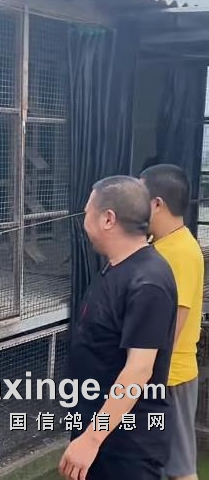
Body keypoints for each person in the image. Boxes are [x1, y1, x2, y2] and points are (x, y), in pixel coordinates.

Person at [59, 175, 177, 480]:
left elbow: (139, 369)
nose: (84, 222)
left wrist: (92, 438)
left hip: (126, 446)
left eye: (87, 213)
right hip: (99, 430)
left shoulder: (148, 282)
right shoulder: (116, 267)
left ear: (108, 219)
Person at [140, 164, 204, 480]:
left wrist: (139, 370)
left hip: (171, 378)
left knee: (180, 469)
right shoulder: (163, 246)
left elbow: (172, 326)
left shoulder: (179, 253)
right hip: (160, 377)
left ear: (157, 204)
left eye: (139, 198)